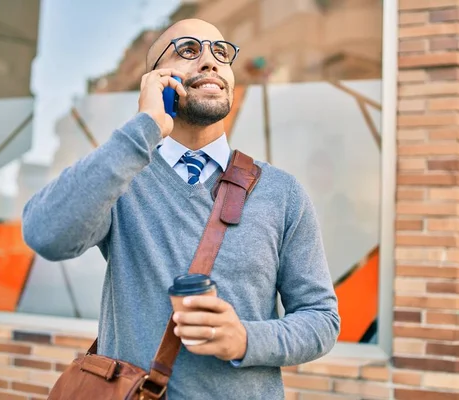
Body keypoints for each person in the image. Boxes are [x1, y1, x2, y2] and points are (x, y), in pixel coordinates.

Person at [22, 18, 340, 399]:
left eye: (221, 53)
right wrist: (146, 126)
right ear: (155, 80)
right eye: (189, 50)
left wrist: (245, 339)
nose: (210, 61)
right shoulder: (122, 176)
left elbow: (321, 320)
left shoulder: (282, 192)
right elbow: (45, 233)